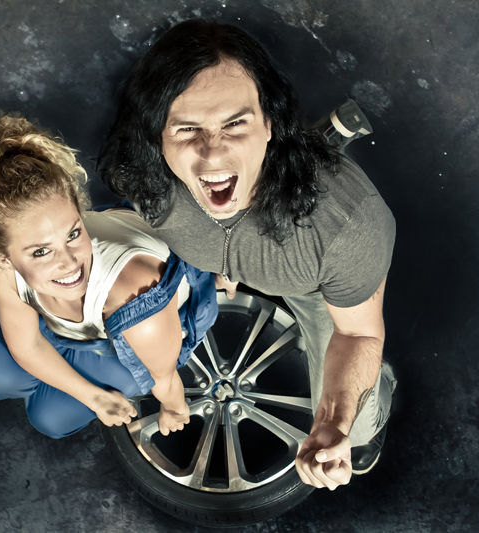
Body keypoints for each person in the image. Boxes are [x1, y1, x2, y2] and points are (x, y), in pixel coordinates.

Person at [99, 20, 397, 490]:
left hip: (311, 284)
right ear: (157, 137)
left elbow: (358, 333)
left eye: (235, 124)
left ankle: (375, 407)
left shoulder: (346, 228)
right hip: (233, 255)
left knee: (356, 428)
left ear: (269, 123)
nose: (212, 155)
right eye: (187, 129)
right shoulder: (142, 177)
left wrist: (335, 424)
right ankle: (318, 138)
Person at [0, 114, 218, 439]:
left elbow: (166, 380)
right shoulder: (5, 267)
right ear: (2, 257)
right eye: (41, 251)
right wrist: (93, 397)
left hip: (131, 331)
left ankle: (73, 377)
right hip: (69, 326)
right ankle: (69, 367)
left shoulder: (139, 303)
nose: (70, 262)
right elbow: (27, 345)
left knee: (49, 418)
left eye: (73, 233)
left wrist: (174, 409)